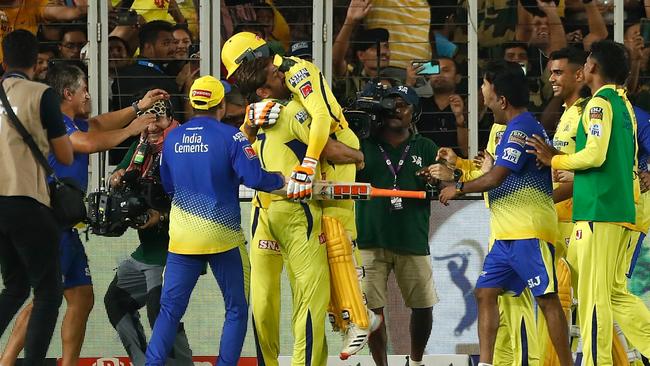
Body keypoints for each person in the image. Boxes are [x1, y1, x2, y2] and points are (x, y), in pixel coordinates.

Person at [227, 31, 380, 360]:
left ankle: (358, 316)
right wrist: (247, 129)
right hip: (271, 206)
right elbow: (239, 155)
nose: (238, 81)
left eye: (237, 72)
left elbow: (323, 120)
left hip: (332, 151)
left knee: (336, 238)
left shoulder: (297, 75)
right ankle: (348, 316)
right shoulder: (264, 102)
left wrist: (310, 164)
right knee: (274, 294)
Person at [0, 64, 165, 366]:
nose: (88, 94)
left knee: (81, 297)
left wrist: (136, 108)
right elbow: (88, 143)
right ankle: (7, 361)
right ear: (67, 93)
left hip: (65, 227)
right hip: (47, 225)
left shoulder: (73, 121)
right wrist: (132, 129)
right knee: (42, 299)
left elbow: (99, 124)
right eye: (84, 88)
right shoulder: (56, 123)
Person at [439, 60, 572, 366]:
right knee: (485, 293)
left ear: (502, 100)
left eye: (486, 95)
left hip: (529, 232)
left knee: (547, 300)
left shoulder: (522, 129)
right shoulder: (514, 127)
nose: (484, 100)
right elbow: (496, 174)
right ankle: (486, 363)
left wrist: (457, 186)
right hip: (506, 236)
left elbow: (495, 177)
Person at [145, 76, 284, 366]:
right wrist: (281, 179)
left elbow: (168, 186)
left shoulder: (172, 138)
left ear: (192, 104)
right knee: (236, 309)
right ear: (221, 104)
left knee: (169, 310)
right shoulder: (231, 137)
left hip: (183, 238)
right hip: (224, 238)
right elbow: (256, 178)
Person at [528, 40, 648, 365]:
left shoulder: (599, 105)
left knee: (593, 301)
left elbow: (594, 154)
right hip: (620, 209)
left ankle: (598, 362)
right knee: (612, 293)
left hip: (598, 210)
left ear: (591, 66)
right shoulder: (626, 107)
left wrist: (555, 160)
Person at [0, 28, 73, 366]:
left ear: (4, 58)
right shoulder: (41, 94)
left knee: (14, 287)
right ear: (36, 61)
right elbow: (66, 155)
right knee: (48, 291)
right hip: (26, 199)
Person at [104, 97, 193, 366]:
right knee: (116, 301)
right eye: (147, 118)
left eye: (159, 118)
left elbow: (197, 198)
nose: (152, 126)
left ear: (171, 118)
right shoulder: (140, 144)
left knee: (160, 313)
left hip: (173, 249)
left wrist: (161, 215)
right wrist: (116, 179)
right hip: (146, 250)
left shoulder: (183, 146)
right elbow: (118, 175)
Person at [355, 85, 439, 366]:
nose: (394, 110)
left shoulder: (425, 146)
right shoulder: (361, 145)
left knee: (423, 306)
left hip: (411, 239)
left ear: (415, 113)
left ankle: (415, 362)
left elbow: (442, 181)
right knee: (371, 311)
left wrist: (441, 175)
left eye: (402, 105)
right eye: (389, 104)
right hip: (369, 239)